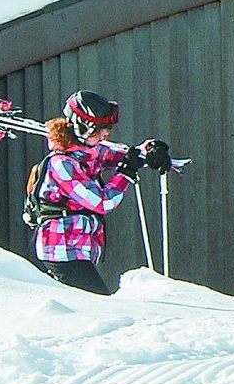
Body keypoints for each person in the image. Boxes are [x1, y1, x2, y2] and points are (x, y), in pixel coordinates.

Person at [29, 90, 172, 296]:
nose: (106, 134)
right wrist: (127, 173)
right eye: (100, 129)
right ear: (83, 128)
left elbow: (123, 155)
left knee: (88, 306)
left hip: (76, 250)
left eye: (108, 129)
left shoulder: (87, 153)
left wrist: (148, 151)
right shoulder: (62, 164)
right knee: (98, 304)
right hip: (61, 251)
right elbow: (102, 202)